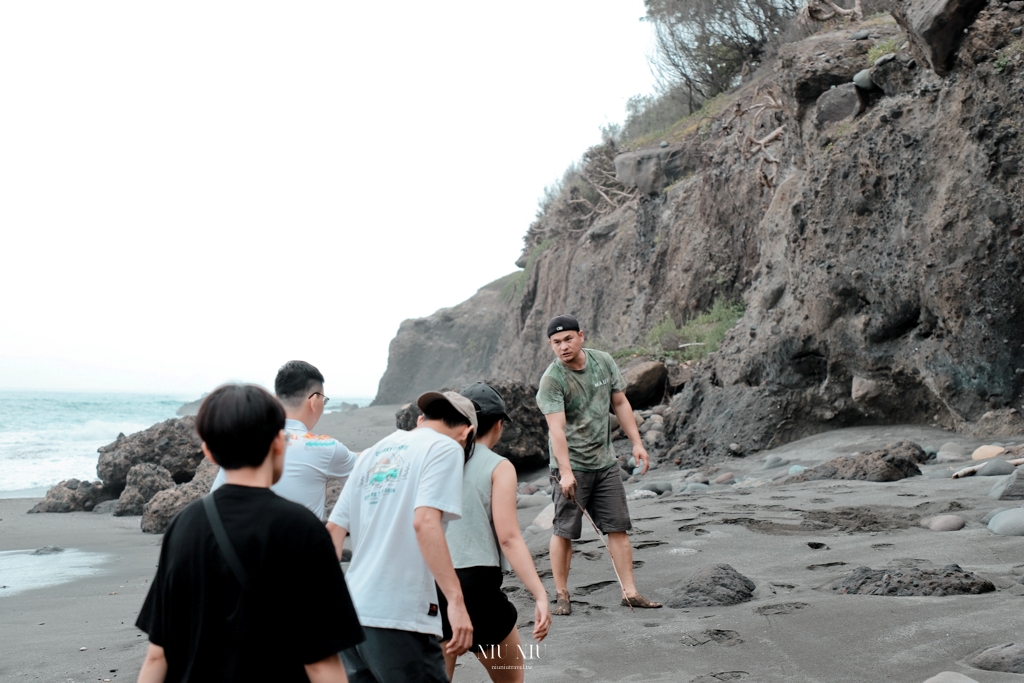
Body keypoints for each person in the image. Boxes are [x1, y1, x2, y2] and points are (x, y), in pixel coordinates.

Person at [135, 383, 364, 683]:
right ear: (279, 443)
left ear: (209, 453)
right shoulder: (303, 529)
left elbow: (157, 655)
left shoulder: (183, 525)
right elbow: (322, 663)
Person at [325, 391, 477, 683]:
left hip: (351, 615)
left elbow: (333, 533)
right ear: (467, 431)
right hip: (398, 617)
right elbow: (425, 523)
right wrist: (456, 602)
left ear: (421, 419)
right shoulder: (446, 448)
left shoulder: (371, 453)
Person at [536, 314, 662, 615]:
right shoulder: (553, 379)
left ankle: (630, 592)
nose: (563, 346)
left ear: (581, 336)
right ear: (551, 345)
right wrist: (565, 472)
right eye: (556, 342)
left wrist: (637, 442)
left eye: (568, 339)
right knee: (564, 530)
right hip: (571, 466)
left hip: (604, 463)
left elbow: (619, 403)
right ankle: (563, 594)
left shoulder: (603, 362)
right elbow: (557, 429)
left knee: (618, 528)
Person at [438, 382, 551, 682]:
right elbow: (509, 537)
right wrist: (540, 594)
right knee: (510, 679)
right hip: (476, 586)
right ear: (499, 424)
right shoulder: (498, 466)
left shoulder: (435, 461)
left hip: (433, 582)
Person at [211, 360, 356, 521]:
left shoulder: (244, 442)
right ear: (314, 401)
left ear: (274, 399)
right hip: (304, 542)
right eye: (324, 400)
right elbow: (366, 474)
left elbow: (216, 501)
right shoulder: (327, 447)